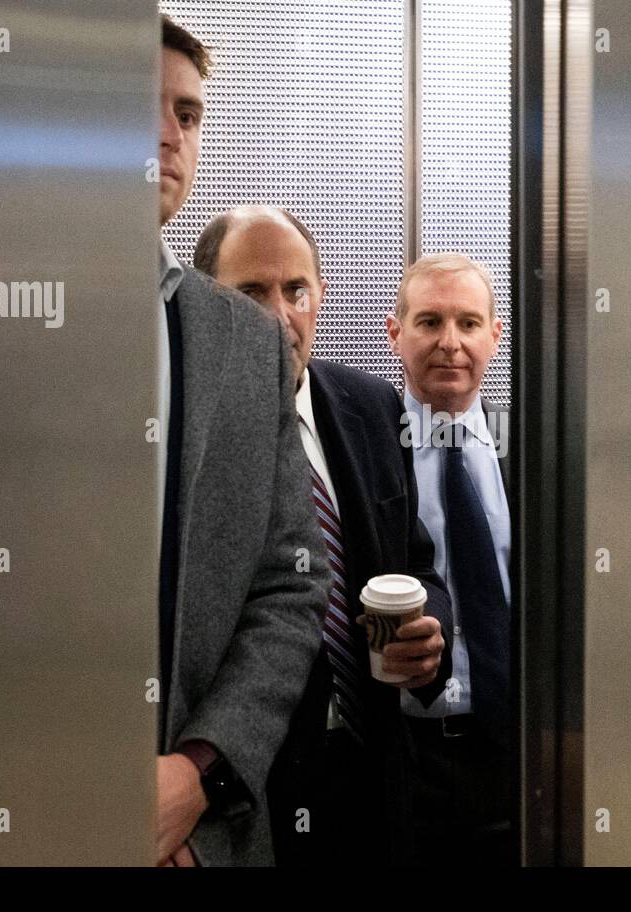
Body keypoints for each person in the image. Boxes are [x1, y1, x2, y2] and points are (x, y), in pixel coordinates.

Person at [193, 205, 451, 865]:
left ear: (321, 297)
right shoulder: (179, 443)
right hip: (250, 794)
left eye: (296, 290)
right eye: (250, 293)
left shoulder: (371, 407)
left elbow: (414, 561)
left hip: (375, 777)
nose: (279, 315)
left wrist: (428, 640)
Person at [154, 16, 328, 867]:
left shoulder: (244, 345)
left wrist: (198, 776)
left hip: (204, 834)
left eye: (186, 115)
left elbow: (290, 589)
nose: (166, 135)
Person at [385, 253, 513, 866]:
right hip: (399, 756)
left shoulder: (536, 451)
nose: (449, 343)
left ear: (496, 333)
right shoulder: (363, 454)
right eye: (429, 321)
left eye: (468, 322)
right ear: (396, 332)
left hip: (512, 754)